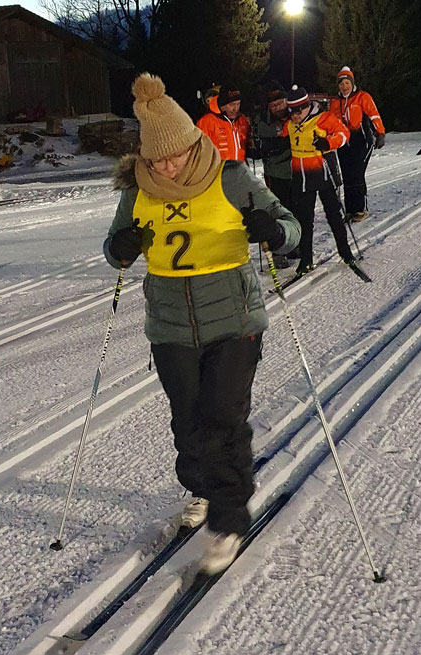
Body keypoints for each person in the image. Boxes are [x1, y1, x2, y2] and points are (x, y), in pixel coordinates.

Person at [104, 73, 301, 574]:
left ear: (193, 144)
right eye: (157, 159)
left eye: (175, 155)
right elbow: (113, 246)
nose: (167, 166)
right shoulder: (138, 191)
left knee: (223, 420)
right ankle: (203, 486)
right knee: (188, 427)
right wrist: (121, 249)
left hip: (234, 322)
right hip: (170, 327)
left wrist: (273, 231)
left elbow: (293, 230)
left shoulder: (231, 178)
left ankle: (229, 518)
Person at [280, 84, 354, 276]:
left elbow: (344, 134)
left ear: (306, 106)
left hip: (324, 174)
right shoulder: (289, 124)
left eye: (298, 111)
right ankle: (306, 260)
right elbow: (282, 139)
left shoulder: (324, 118)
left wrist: (328, 142)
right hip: (301, 178)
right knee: (304, 220)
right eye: (291, 111)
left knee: (334, 216)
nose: (295, 115)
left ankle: (345, 252)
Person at [328, 66, 385, 222]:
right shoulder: (335, 102)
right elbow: (330, 122)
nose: (344, 86)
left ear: (352, 83)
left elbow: (373, 114)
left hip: (361, 139)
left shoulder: (362, 97)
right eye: (341, 83)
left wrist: (380, 132)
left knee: (357, 173)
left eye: (347, 83)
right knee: (347, 174)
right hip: (344, 141)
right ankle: (350, 209)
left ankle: (360, 209)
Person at [248, 80, 294, 268]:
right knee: (277, 212)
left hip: (297, 171)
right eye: (274, 105)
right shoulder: (264, 120)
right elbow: (264, 144)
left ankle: (293, 245)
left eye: (280, 103)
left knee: (296, 211)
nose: (278, 107)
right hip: (275, 173)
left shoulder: (295, 113)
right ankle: (277, 251)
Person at [196, 85, 252, 162]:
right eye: (232, 105)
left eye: (238, 104)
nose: (235, 109)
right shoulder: (206, 122)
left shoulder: (242, 120)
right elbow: (200, 152)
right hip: (219, 171)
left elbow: (249, 145)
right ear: (222, 105)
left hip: (240, 170)